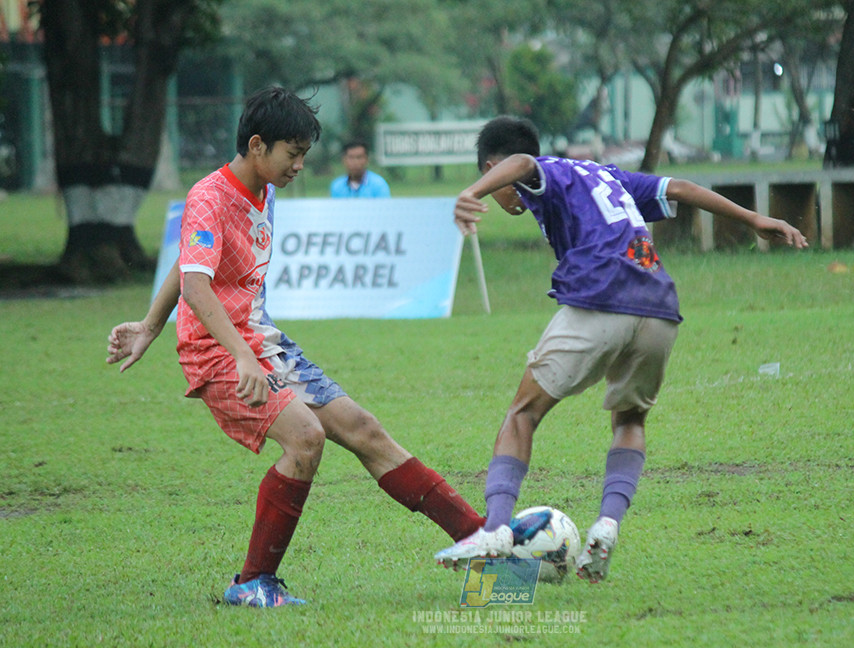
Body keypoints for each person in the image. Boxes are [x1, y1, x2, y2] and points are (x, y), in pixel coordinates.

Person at [106, 87, 483, 607]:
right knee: (306, 439)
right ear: (257, 145)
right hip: (216, 350)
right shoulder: (209, 196)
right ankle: (251, 584)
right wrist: (231, 351)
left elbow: (190, 261)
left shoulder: (265, 188)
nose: (300, 164)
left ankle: (479, 538)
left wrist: (149, 324)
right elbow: (196, 284)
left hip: (261, 340)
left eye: (305, 154)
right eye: (293, 153)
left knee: (364, 429)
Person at [434, 116, 807, 582]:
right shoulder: (607, 175)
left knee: (522, 414)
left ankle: (494, 531)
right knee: (629, 420)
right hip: (659, 305)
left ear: (493, 167)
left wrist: (471, 191)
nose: (497, 194)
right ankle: (607, 525)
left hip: (600, 297)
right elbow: (681, 187)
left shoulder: (545, 170)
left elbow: (522, 162)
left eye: (493, 184)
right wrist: (754, 218)